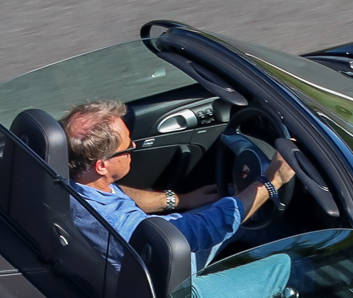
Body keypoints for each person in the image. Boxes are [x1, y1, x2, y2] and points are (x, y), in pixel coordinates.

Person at [62, 99, 292, 270]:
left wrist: (181, 200)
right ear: (101, 166)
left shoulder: (69, 179)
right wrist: (272, 181)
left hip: (151, 250)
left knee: (238, 205)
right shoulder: (119, 224)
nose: (133, 146)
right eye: (128, 147)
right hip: (169, 290)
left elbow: (117, 193)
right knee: (284, 265)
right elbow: (204, 231)